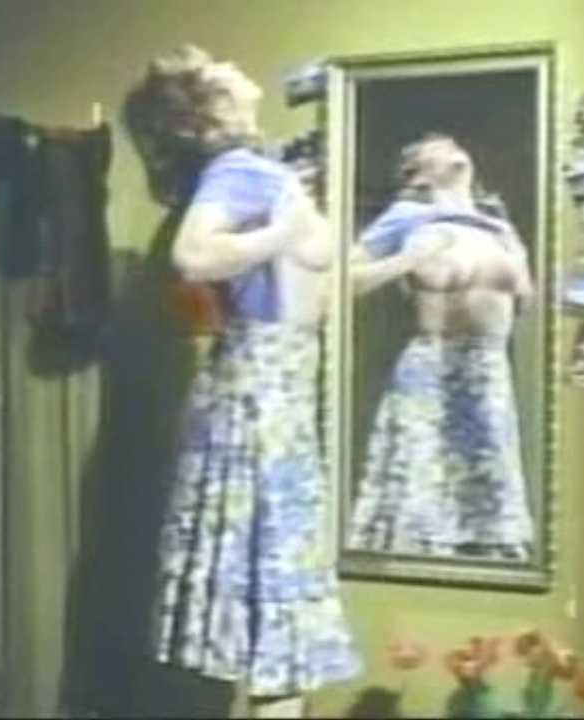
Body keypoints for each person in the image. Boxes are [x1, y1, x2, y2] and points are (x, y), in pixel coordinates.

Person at [123, 45, 361, 718]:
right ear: (207, 113)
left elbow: (327, 282)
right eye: (216, 69)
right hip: (259, 399)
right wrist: (282, 232)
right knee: (273, 615)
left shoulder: (256, 171)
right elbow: (193, 255)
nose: (233, 66)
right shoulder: (239, 171)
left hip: (276, 394)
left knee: (275, 620)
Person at [345, 133, 537, 560]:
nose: (453, 149)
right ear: (417, 174)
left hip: (488, 370)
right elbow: (344, 278)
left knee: (490, 497)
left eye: (454, 144)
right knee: (418, 494)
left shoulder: (498, 227)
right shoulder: (409, 216)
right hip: (431, 368)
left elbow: (525, 300)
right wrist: (408, 261)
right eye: (438, 148)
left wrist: (516, 254)